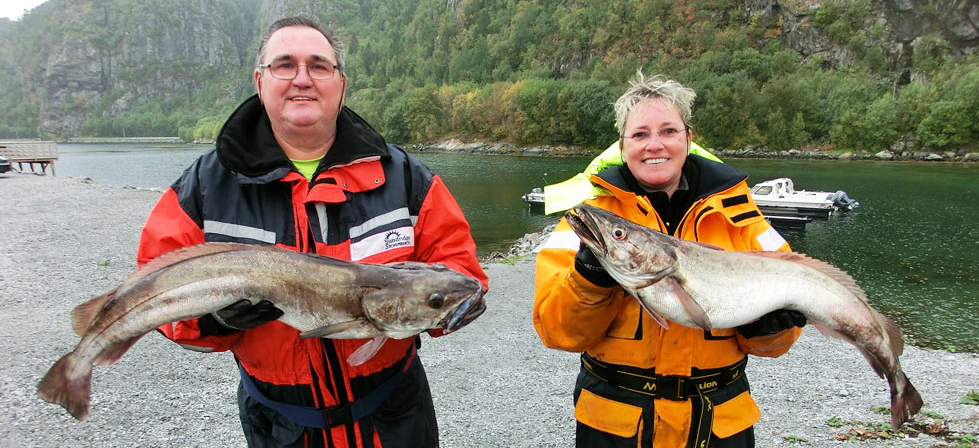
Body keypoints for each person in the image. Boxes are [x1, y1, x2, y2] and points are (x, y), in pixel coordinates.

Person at [137, 16, 488, 448]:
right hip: (281, 426)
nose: (302, 79)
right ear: (260, 81)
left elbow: (460, 271)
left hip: (395, 418)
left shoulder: (405, 177)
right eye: (285, 64)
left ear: (341, 84)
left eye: (319, 66)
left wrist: (439, 311)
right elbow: (155, 286)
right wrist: (212, 319)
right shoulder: (206, 187)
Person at [533, 72, 805, 448]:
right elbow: (557, 332)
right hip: (616, 424)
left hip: (719, 423)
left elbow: (773, 345)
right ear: (623, 144)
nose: (654, 145)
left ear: (688, 138)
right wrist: (589, 276)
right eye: (640, 134)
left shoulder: (741, 216)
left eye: (668, 131)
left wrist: (771, 328)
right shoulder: (587, 220)